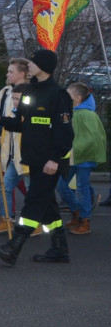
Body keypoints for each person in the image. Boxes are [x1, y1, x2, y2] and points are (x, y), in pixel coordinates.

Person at [0, 48, 74, 265]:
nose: (29, 66)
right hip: (33, 159)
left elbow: (65, 132)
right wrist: (0, 120)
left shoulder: (58, 94)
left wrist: (55, 158)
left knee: (33, 203)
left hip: (49, 162)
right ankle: (59, 249)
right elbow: (22, 123)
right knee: (48, 207)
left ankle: (13, 247)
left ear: (43, 67)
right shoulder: (29, 91)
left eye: (33, 63)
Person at [57, 82, 106, 235]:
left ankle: (85, 220)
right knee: (61, 185)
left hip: (84, 157)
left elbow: (92, 138)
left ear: (77, 98)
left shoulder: (88, 115)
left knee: (81, 187)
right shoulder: (70, 113)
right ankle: (77, 212)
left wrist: (72, 149)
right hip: (72, 157)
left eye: (69, 94)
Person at [0, 59, 31, 233]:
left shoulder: (30, 95)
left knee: (32, 190)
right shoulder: (6, 92)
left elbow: (23, 124)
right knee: (5, 186)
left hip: (27, 153)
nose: (7, 74)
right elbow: (8, 118)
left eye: (11, 71)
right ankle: (7, 218)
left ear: (22, 74)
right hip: (12, 151)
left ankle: (35, 221)